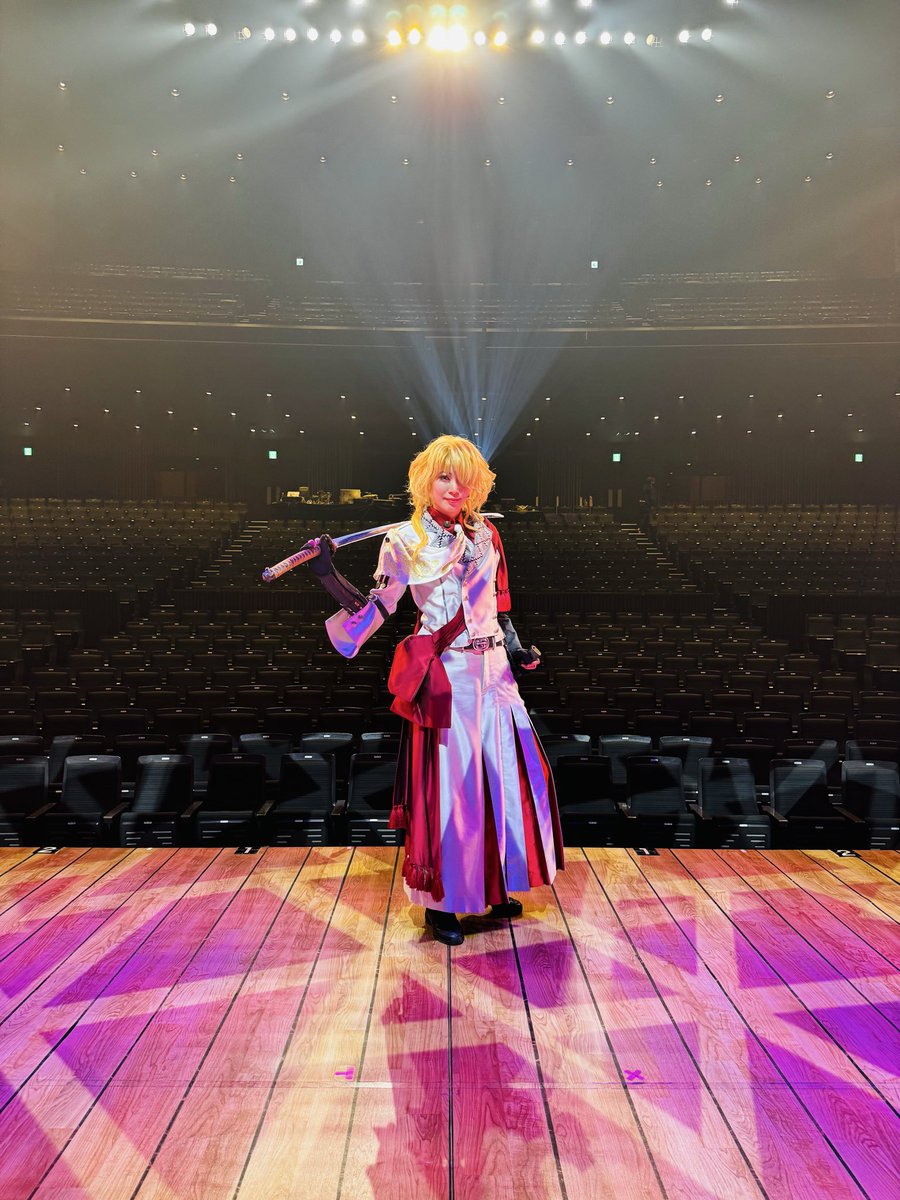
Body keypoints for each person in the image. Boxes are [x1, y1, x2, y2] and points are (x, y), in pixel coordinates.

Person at [309, 434, 564, 946]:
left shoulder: (487, 534)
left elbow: (499, 605)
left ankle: (495, 884)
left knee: (505, 781)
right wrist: (328, 574)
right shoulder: (404, 541)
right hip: (449, 677)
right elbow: (377, 607)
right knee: (457, 791)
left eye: (464, 478)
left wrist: (517, 650)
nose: (455, 487)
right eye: (445, 476)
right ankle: (444, 903)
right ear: (426, 480)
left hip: (496, 674)